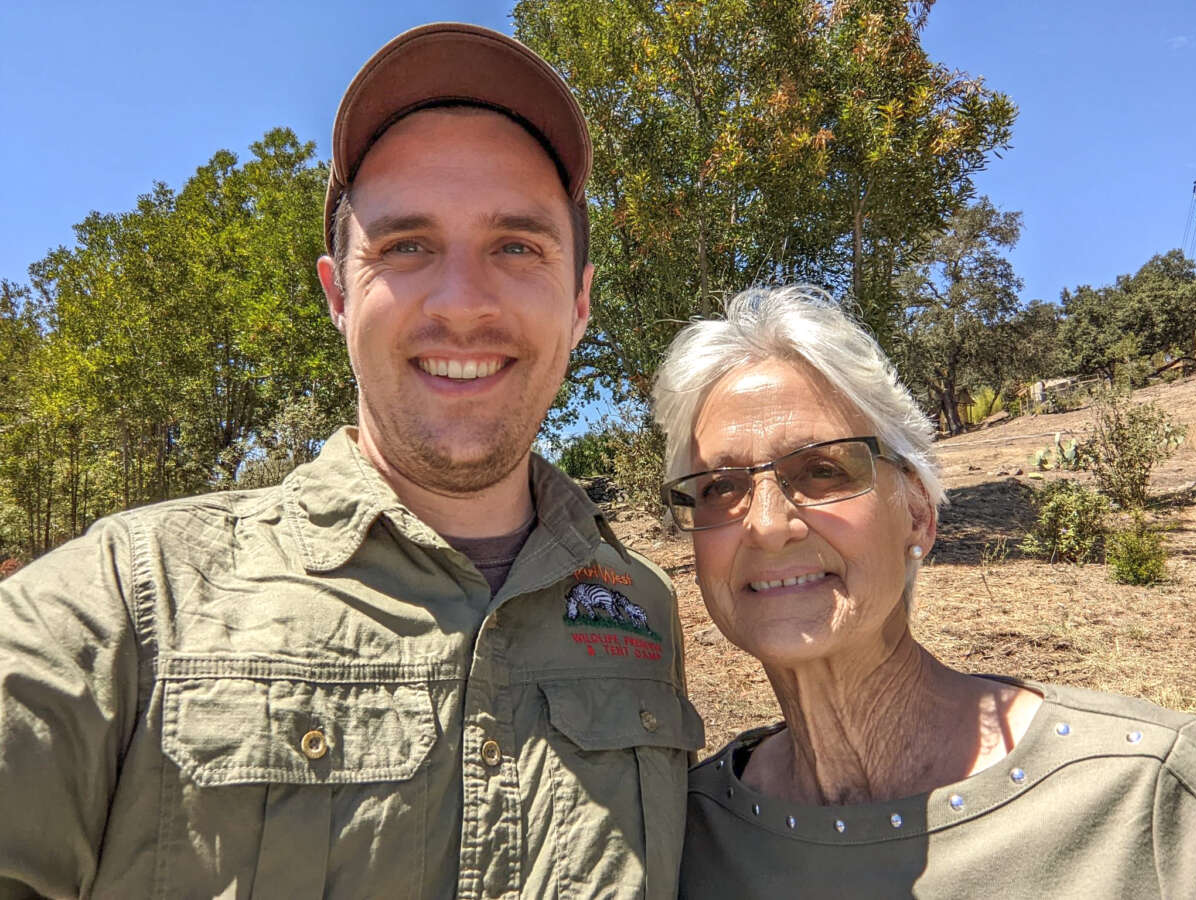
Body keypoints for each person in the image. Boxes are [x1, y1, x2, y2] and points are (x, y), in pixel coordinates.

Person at [0, 23, 702, 899]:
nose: (461, 303)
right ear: (338, 294)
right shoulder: (132, 602)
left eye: (517, 246)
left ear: (580, 304)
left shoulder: (646, 611)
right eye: (406, 246)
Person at [651, 284, 1196, 898]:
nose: (768, 525)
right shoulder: (678, 839)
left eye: (823, 470)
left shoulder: (1147, 796)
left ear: (916, 514)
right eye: (719, 487)